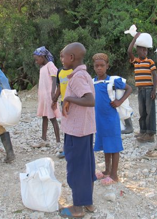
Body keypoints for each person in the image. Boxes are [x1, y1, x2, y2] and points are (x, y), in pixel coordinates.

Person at [59, 42, 96, 218]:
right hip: (85, 129)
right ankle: (87, 202)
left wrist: (70, 99)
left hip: (76, 131)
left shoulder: (77, 77)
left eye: (63, 56)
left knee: (76, 167)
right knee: (87, 165)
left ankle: (78, 208)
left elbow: (89, 100)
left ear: (71, 58)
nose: (62, 59)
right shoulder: (84, 74)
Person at [92, 53, 132, 185]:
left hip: (111, 119)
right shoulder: (93, 82)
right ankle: (107, 171)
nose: (99, 68)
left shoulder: (113, 81)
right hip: (100, 120)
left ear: (107, 66)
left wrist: (119, 101)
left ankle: (114, 175)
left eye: (102, 65)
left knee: (113, 147)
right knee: (105, 146)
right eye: (96, 66)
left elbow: (129, 88)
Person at [128, 32, 157, 142]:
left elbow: (154, 75)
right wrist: (135, 39)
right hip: (140, 90)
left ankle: (150, 134)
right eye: (142, 50)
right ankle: (143, 131)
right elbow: (129, 51)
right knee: (142, 111)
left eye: (146, 50)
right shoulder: (135, 61)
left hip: (149, 89)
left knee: (150, 112)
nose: (144, 52)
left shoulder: (150, 61)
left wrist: (154, 89)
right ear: (138, 50)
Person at [33, 46, 61, 148]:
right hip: (43, 97)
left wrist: (53, 92)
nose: (36, 62)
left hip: (49, 96)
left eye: (37, 59)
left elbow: (54, 78)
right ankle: (43, 139)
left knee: (52, 118)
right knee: (44, 117)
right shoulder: (42, 68)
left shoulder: (50, 65)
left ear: (42, 56)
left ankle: (58, 142)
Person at [52, 51, 73, 159]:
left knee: (74, 126)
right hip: (63, 102)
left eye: (63, 56)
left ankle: (75, 149)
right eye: (60, 56)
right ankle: (66, 150)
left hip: (74, 103)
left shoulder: (74, 70)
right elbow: (59, 87)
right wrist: (54, 99)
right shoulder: (59, 71)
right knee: (66, 126)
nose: (62, 59)